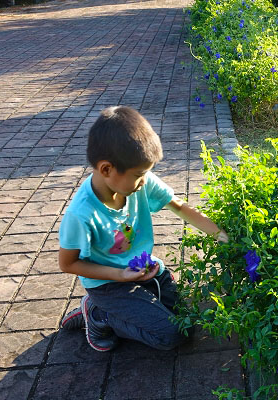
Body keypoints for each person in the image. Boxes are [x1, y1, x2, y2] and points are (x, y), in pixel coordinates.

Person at [57, 106, 228, 352]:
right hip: (108, 284)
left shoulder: (139, 183)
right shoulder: (81, 215)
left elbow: (179, 207)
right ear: (107, 169)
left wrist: (222, 236)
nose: (145, 181)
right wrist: (120, 276)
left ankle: (127, 306)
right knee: (171, 336)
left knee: (186, 323)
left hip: (143, 268)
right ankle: (96, 314)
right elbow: (68, 264)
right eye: (139, 174)